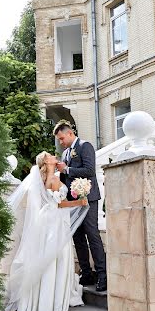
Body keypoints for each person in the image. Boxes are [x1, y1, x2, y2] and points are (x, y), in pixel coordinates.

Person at [3, 151, 88, 311]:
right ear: (46, 162)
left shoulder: (42, 179)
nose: (53, 156)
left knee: (49, 260)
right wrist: (80, 202)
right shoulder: (53, 180)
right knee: (58, 259)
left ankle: (46, 299)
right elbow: (60, 204)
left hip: (47, 223)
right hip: (56, 223)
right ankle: (55, 302)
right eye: (50, 156)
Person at [54, 121, 107, 292]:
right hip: (72, 202)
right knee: (78, 238)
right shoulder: (65, 154)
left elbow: (90, 170)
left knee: (92, 235)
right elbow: (63, 179)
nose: (61, 142)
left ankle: (102, 275)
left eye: (62, 138)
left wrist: (67, 170)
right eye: (59, 140)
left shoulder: (85, 146)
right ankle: (86, 273)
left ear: (70, 133)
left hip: (88, 198)